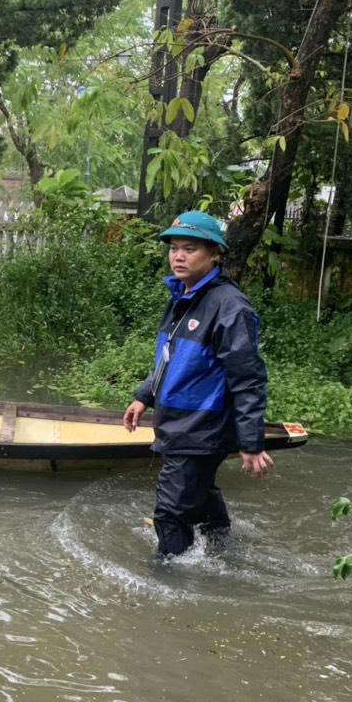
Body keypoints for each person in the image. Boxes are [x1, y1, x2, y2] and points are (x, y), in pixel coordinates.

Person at [122, 210, 272, 557]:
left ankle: (168, 583)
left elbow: (248, 378)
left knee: (170, 513)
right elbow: (169, 357)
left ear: (214, 253)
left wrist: (251, 442)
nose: (178, 256)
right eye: (174, 248)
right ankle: (222, 548)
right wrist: (144, 395)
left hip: (201, 427)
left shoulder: (230, 307)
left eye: (189, 249)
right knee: (198, 492)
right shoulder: (182, 297)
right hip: (179, 422)